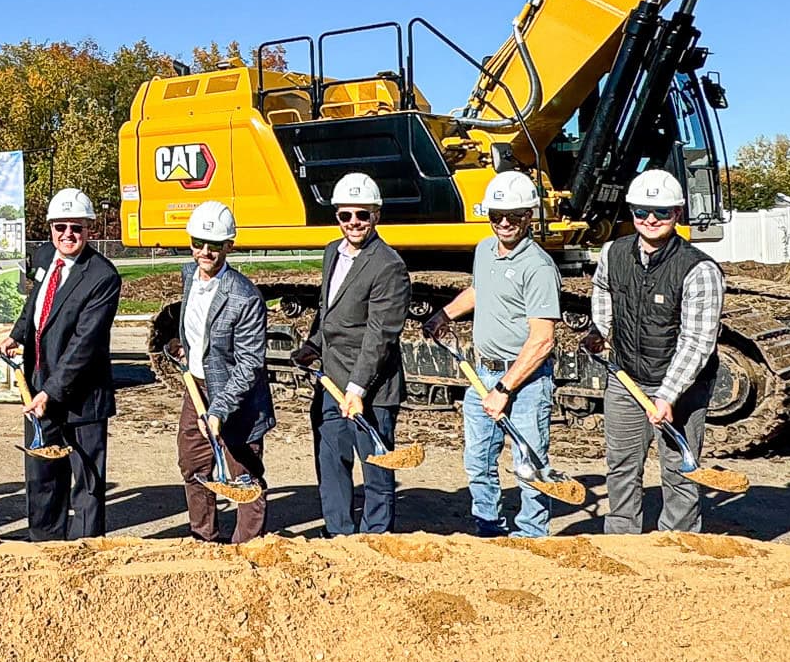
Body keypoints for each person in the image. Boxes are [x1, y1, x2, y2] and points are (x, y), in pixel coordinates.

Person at [425, 171, 562, 537]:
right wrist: (445, 313)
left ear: (529, 216)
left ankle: (532, 535)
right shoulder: (484, 249)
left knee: (528, 461)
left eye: (513, 216)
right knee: (478, 460)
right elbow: (478, 289)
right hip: (480, 373)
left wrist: (504, 389)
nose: (504, 223)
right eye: (496, 215)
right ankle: (488, 526)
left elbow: (543, 340)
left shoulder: (538, 267)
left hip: (525, 380)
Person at [590, 169, 725, 534]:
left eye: (662, 212)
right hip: (625, 379)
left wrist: (667, 395)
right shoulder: (613, 252)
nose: (651, 219)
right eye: (641, 211)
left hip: (682, 385)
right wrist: (603, 332)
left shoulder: (699, 269)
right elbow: (603, 289)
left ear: (677, 214)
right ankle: (621, 541)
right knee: (621, 466)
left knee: (680, 468)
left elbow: (697, 342)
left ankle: (676, 546)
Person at [0, 187, 122, 541]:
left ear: (90, 230)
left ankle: (83, 553)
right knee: (42, 476)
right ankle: (45, 545)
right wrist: (17, 334)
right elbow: (35, 305)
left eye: (77, 228)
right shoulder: (43, 257)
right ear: (50, 227)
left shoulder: (103, 277)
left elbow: (86, 344)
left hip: (82, 397)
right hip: (40, 387)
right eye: (60, 227)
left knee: (86, 481)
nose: (67, 235)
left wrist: (50, 392)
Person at [294, 173, 410, 535]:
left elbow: (380, 336)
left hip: (370, 388)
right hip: (331, 381)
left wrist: (357, 390)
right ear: (337, 216)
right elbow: (327, 309)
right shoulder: (332, 251)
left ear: (376, 214)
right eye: (346, 215)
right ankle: (338, 534)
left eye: (362, 214)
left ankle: (375, 540)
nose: (354, 223)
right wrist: (313, 345)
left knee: (376, 467)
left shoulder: (388, 265)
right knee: (331, 462)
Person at [172, 200, 276, 543]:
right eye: (197, 243)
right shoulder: (189, 275)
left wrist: (219, 410)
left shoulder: (244, 297)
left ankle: (248, 548)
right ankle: (204, 538)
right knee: (193, 463)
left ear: (229, 246)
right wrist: (183, 348)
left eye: (214, 245)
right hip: (197, 388)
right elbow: (197, 328)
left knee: (243, 476)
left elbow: (249, 364)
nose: (204, 252)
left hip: (238, 397)